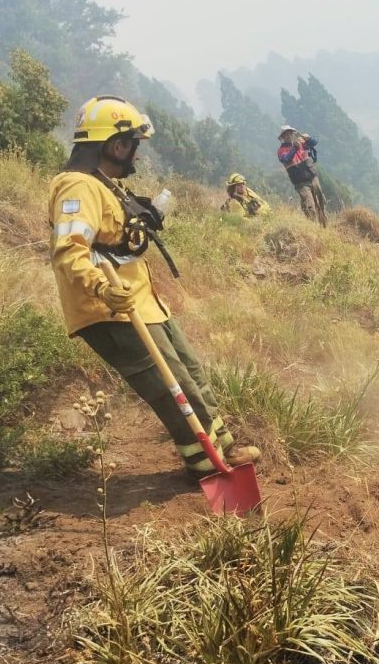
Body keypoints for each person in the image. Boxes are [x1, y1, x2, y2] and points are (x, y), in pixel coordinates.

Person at [49, 95, 258, 474]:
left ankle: (224, 446)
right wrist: (101, 288)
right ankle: (205, 466)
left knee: (190, 371)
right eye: (134, 146)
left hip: (142, 303)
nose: (136, 156)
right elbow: (68, 251)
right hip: (110, 308)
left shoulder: (105, 185)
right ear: (116, 145)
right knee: (169, 384)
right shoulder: (77, 189)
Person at [276, 125, 327, 226]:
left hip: (312, 177)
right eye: (286, 134)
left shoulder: (301, 143)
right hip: (301, 183)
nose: (289, 135)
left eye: (290, 133)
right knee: (310, 206)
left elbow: (314, 142)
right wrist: (294, 148)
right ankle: (313, 227)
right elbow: (286, 159)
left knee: (320, 200)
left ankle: (323, 225)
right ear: (282, 137)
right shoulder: (281, 151)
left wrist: (308, 138)